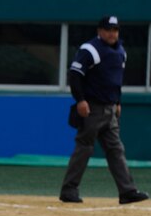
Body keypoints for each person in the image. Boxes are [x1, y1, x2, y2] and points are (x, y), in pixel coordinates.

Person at [59, 16, 149, 204]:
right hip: (92, 108)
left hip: (110, 109)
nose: (112, 33)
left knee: (116, 149)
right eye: (108, 29)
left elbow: (116, 80)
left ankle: (127, 191)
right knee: (84, 147)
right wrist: (80, 100)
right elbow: (75, 75)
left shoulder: (121, 52)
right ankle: (69, 190)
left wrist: (118, 102)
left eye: (115, 29)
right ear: (99, 31)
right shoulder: (90, 49)